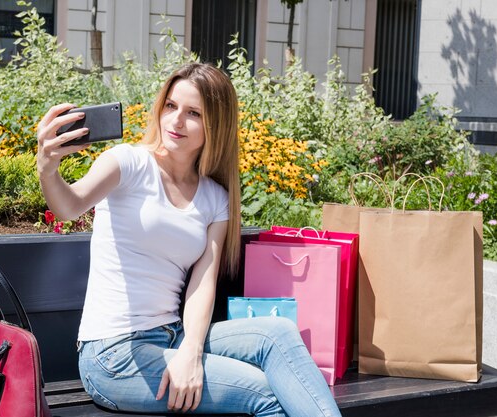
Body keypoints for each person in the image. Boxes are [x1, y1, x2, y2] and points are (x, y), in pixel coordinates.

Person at [36, 62, 342, 417]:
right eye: (170, 106)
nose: (176, 121)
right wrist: (48, 167)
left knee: (278, 334)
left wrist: (190, 353)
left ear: (216, 125)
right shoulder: (128, 163)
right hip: (114, 355)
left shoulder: (215, 198)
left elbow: (202, 285)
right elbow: (69, 207)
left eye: (193, 113)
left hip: (174, 336)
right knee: (264, 394)